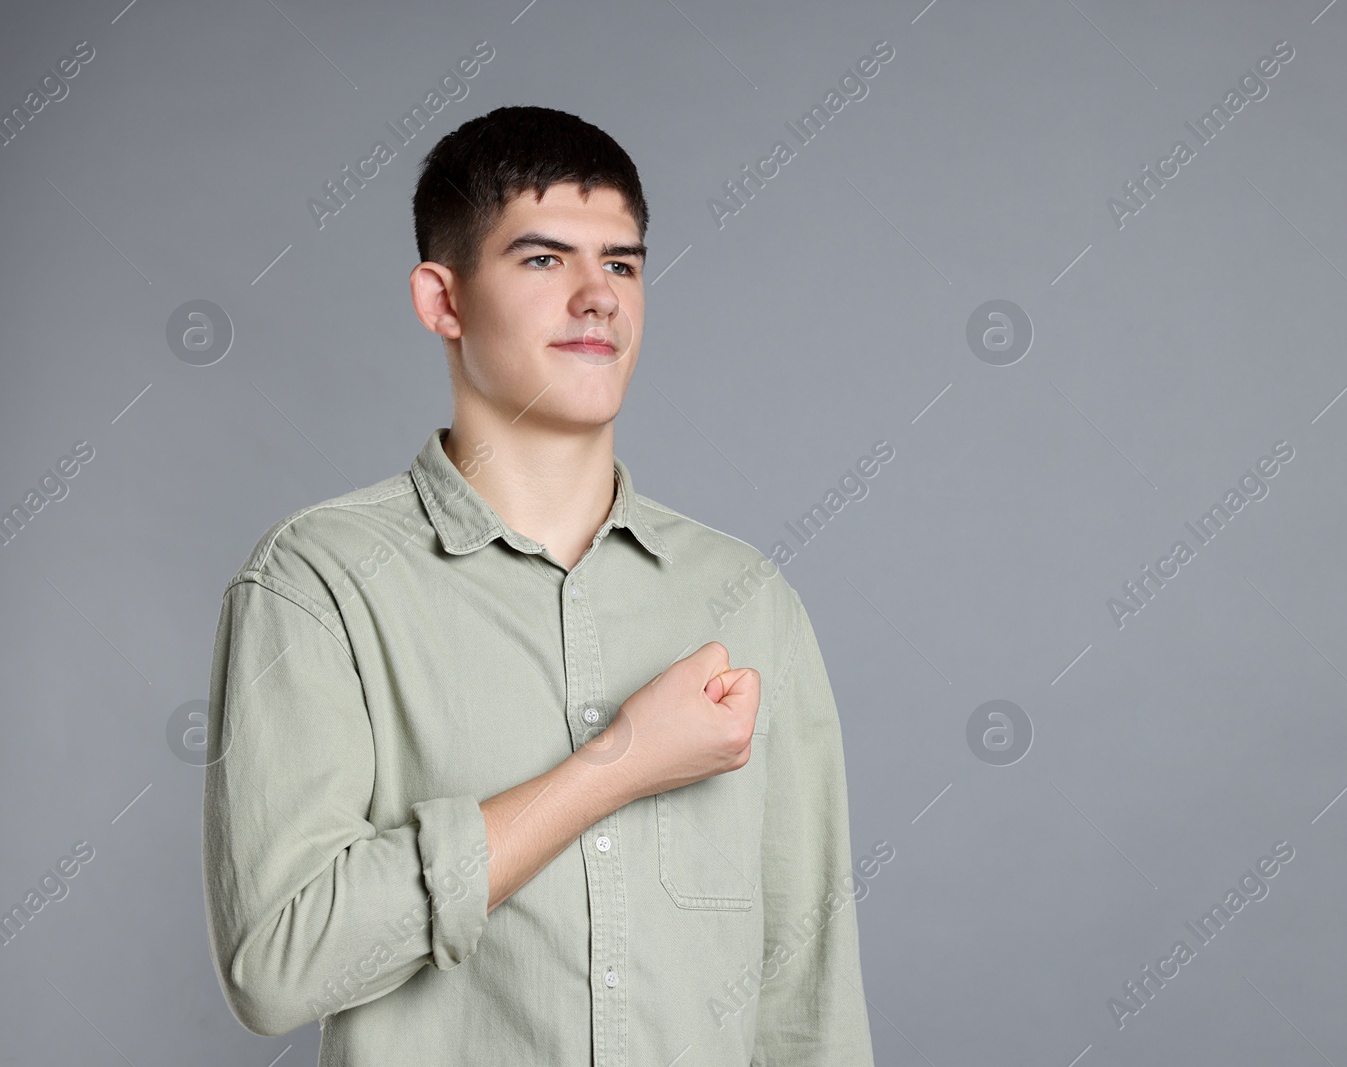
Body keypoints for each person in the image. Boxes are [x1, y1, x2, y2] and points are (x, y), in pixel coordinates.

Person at [201, 105, 875, 1066]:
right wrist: (617, 764)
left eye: (624, 263)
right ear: (444, 299)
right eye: (545, 260)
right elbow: (276, 964)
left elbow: (808, 1004)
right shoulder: (319, 583)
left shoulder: (747, 597)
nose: (599, 297)